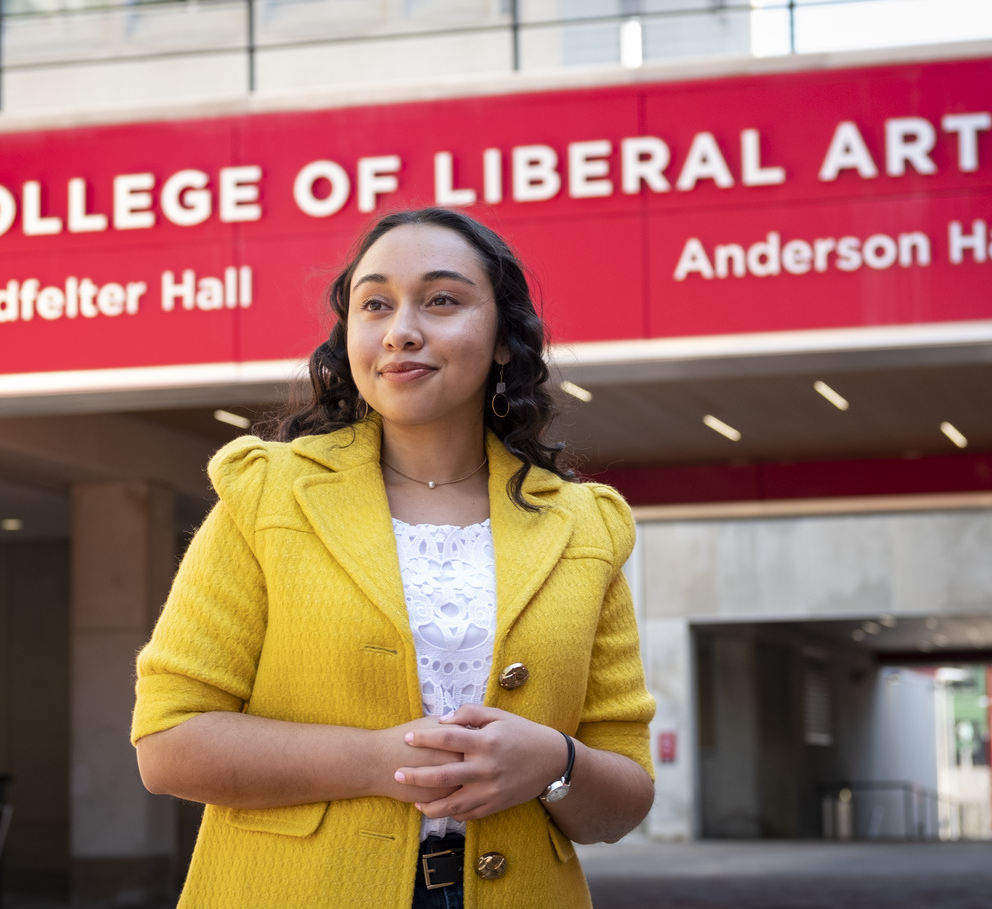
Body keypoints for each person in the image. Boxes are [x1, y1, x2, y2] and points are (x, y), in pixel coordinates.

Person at [130, 207, 656, 909]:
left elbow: (623, 796)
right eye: (375, 303)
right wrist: (384, 760)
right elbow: (167, 741)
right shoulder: (265, 495)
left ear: (504, 338)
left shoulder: (586, 524)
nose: (401, 329)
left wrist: (552, 763)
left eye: (441, 300)